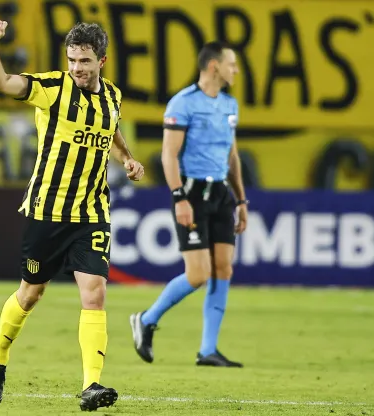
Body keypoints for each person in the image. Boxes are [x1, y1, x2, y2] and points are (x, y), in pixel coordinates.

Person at [0, 20, 144, 411]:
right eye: (72, 59)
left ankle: (91, 385)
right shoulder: (52, 88)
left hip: (90, 212)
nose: (77, 67)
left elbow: (111, 132)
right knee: (30, 294)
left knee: (95, 294)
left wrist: (127, 158)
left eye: (85, 60)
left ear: (102, 60)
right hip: (46, 212)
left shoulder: (113, 98)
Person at [129, 41, 247, 368]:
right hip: (192, 194)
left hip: (221, 194)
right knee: (198, 274)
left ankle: (208, 349)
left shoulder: (229, 105)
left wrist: (241, 199)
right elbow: (169, 154)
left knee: (223, 268)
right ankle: (147, 319)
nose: (236, 70)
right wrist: (178, 196)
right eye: (231, 64)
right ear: (213, 66)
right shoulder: (183, 103)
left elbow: (231, 155)